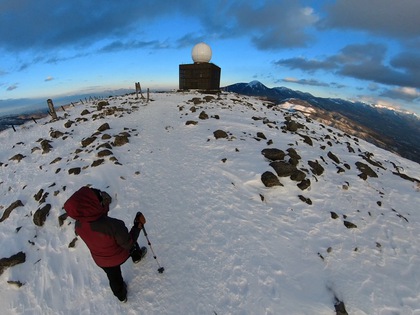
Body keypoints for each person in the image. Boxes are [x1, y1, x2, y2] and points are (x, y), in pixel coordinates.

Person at [63, 186, 147, 303]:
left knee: (114, 278)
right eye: (100, 201)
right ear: (92, 206)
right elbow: (128, 243)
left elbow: (94, 218)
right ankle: (136, 256)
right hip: (119, 255)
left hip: (101, 260)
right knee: (131, 243)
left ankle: (121, 296)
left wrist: (104, 206)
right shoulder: (114, 225)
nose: (102, 202)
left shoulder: (79, 225)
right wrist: (138, 226)